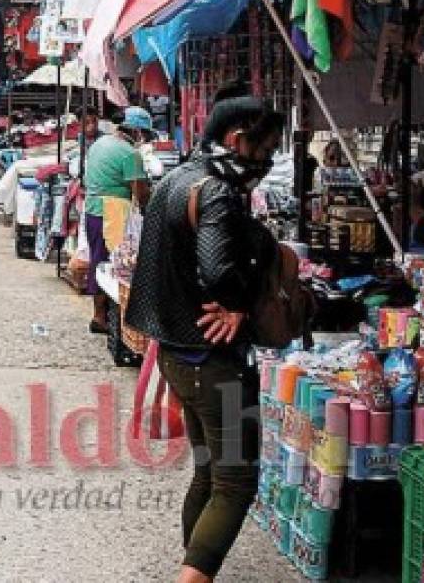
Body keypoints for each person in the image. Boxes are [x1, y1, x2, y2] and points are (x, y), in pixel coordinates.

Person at [125, 95, 286, 583]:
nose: (269, 159)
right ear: (239, 141)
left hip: (178, 353)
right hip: (213, 361)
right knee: (235, 481)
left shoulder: (176, 178)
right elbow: (217, 269)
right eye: (268, 148)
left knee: (209, 472)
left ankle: (194, 566)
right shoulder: (215, 191)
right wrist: (236, 303)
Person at [83, 107, 153, 334]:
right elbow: (141, 193)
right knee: (119, 263)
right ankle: (107, 316)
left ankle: (100, 314)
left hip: (93, 209)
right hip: (112, 212)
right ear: (136, 131)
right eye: (144, 133)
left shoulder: (99, 145)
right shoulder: (129, 154)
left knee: (97, 259)